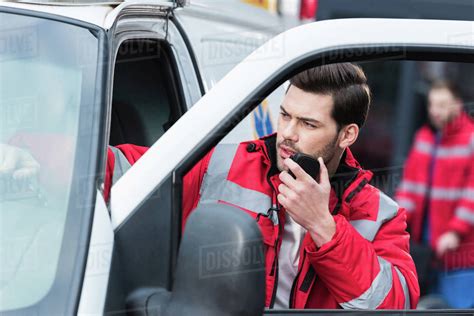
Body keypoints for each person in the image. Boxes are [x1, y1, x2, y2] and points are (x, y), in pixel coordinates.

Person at [2, 63, 420, 309]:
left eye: (308, 124)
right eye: (285, 115)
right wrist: (31, 154)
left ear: (347, 135)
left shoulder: (379, 214)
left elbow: (394, 303)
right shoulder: (225, 163)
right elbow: (127, 167)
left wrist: (323, 226)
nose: (288, 134)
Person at [396, 81, 474, 308]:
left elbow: (472, 193)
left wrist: (455, 231)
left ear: (457, 105)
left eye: (442, 105)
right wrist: (398, 220)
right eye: (432, 105)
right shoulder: (424, 138)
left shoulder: (470, 138)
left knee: (458, 306)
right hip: (428, 245)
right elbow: (409, 187)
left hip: (460, 248)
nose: (435, 111)